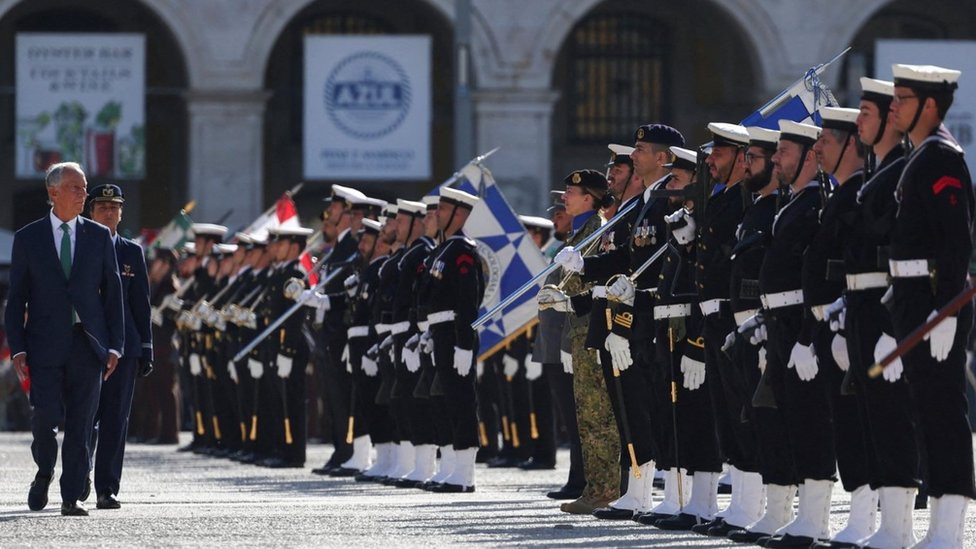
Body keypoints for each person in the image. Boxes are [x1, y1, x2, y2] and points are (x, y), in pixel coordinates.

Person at [887, 63, 974, 548]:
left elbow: (955, 242)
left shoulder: (942, 156)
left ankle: (950, 530)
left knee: (943, 412)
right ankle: (940, 526)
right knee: (927, 408)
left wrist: (947, 312)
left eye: (903, 98)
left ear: (930, 106)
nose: (894, 106)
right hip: (914, 300)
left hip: (934, 303)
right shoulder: (919, 156)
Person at [6, 162, 124, 516]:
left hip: (87, 344)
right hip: (43, 344)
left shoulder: (99, 236)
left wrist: (115, 344)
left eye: (83, 187)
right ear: (53, 193)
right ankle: (43, 471)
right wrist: (19, 347)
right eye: (75, 188)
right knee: (45, 418)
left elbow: (113, 294)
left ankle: (70, 495)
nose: (83, 194)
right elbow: (17, 299)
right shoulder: (28, 238)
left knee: (81, 422)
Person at [86, 184, 153, 510]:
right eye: (102, 207)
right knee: (84, 417)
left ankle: (107, 488)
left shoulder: (131, 251)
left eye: (114, 208)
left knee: (116, 419)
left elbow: (141, 303)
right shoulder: (81, 246)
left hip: (125, 347)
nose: (109, 212)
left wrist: (147, 347)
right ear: (91, 212)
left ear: (121, 213)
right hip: (87, 344)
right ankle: (79, 473)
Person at [416, 186, 485, 493]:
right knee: (445, 400)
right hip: (441, 333)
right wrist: (431, 334)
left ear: (460, 214)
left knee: (461, 401)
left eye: (443, 209)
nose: (438, 214)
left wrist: (464, 343)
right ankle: (452, 468)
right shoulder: (442, 252)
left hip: (457, 334)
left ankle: (465, 473)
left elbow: (467, 302)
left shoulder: (463, 252)